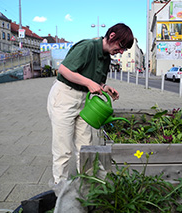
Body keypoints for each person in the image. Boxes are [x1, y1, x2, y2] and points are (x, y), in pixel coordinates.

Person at [47, 23, 134, 185]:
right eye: (121, 46)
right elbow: (64, 70)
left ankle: (87, 183)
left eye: (125, 50)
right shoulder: (88, 46)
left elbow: (97, 83)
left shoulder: (106, 58)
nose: (121, 52)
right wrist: (88, 83)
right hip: (64, 96)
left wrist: (105, 88)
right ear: (112, 36)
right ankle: (60, 188)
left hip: (84, 101)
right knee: (63, 148)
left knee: (85, 146)